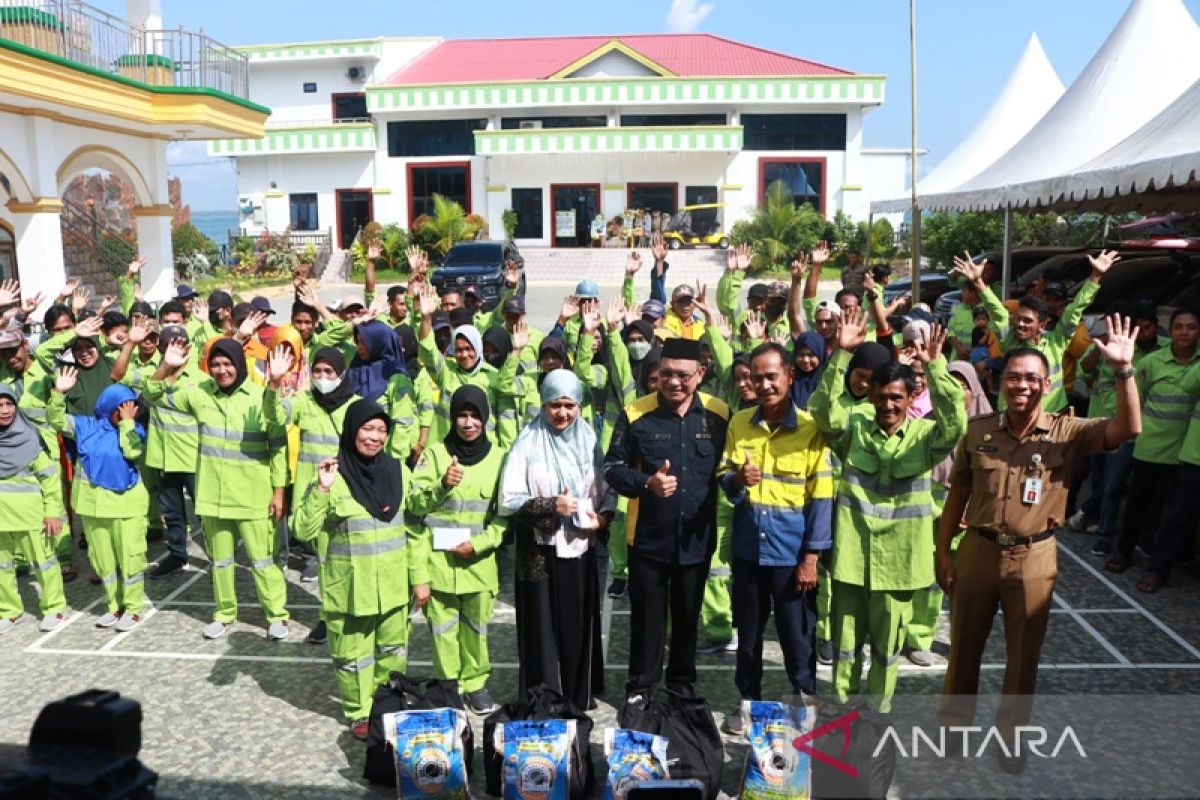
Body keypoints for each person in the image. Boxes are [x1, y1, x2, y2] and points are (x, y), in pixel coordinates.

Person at [937, 316, 1141, 773]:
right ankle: (954, 730)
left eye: (1032, 378)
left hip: (1035, 555)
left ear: (1047, 384)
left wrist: (1124, 372)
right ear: (999, 381)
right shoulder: (978, 431)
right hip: (978, 551)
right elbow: (959, 495)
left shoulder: (1068, 432)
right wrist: (942, 551)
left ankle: (1011, 740)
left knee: (1023, 655)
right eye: (1013, 377)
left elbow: (1126, 430)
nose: (1022, 386)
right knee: (963, 648)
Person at [810, 309, 966, 712]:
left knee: (886, 648)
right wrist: (841, 356)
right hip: (851, 559)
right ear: (871, 395)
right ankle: (843, 706)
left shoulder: (926, 436)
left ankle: (876, 713)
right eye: (881, 397)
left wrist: (937, 368)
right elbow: (823, 412)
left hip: (898, 565)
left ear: (912, 398)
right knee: (845, 647)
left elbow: (956, 425)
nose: (888, 405)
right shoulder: (854, 430)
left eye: (897, 397)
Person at [717, 343, 834, 734]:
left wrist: (811, 558)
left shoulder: (811, 431)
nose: (764, 385)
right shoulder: (738, 424)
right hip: (750, 550)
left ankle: (804, 697)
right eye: (756, 377)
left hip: (791, 554)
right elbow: (725, 480)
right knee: (748, 638)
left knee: (796, 635)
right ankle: (748, 702)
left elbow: (821, 499)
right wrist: (736, 480)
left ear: (790, 376)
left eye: (772, 376)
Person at [604, 337, 730, 700]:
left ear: (701, 374)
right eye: (666, 374)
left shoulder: (718, 414)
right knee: (647, 622)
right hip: (648, 540)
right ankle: (641, 688)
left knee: (688, 621)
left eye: (683, 375)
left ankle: (681, 687)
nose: (674, 382)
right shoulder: (635, 414)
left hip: (696, 540)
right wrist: (646, 483)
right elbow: (612, 468)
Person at [144, 338, 291, 640]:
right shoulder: (198, 395)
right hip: (213, 495)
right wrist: (166, 367)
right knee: (220, 562)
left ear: (239, 364)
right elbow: (152, 396)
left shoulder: (260, 396)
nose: (222, 370)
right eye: (216, 364)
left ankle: (276, 615)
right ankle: (224, 613)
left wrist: (279, 491)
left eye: (228, 364)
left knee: (263, 561)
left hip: (253, 495)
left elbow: (278, 443)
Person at [295, 400, 415, 740]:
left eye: (381, 430)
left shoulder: (398, 470)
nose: (375, 437)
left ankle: (388, 705)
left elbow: (414, 526)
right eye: (367, 429)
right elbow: (302, 531)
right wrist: (320, 488)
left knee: (393, 653)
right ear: (351, 430)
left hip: (393, 586)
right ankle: (359, 712)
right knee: (352, 656)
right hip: (348, 588)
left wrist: (418, 578)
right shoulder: (332, 474)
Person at [501, 369, 613, 712]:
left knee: (576, 623)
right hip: (538, 551)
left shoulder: (589, 441)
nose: (562, 413)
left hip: (578, 547)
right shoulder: (527, 442)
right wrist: (553, 505)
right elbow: (508, 501)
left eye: (569, 405)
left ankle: (577, 696)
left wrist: (602, 518)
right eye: (554, 405)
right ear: (543, 404)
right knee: (541, 629)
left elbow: (606, 493)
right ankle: (542, 698)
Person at [407, 386, 507, 715]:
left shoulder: (499, 458)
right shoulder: (435, 454)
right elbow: (414, 506)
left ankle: (475, 683)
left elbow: (504, 518)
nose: (468, 423)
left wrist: (479, 544)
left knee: (476, 629)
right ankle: (448, 685)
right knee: (442, 630)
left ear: (485, 418)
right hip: (438, 563)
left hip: (477, 564)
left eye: (475, 416)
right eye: (462, 416)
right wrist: (442, 485)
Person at [955, 250, 1119, 412]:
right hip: (1013, 418)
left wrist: (1095, 276)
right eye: (1018, 319)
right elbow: (996, 310)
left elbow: (1075, 309)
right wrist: (978, 282)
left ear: (1042, 325)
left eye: (1027, 321)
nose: (1020, 324)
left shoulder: (1056, 342)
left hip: (1051, 417)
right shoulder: (1009, 341)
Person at [47, 375, 147, 632]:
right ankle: (114, 605)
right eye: (120, 407)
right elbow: (55, 419)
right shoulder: (85, 426)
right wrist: (59, 393)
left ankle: (133, 608)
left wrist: (127, 425)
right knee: (102, 560)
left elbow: (132, 452)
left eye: (130, 407)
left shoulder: (135, 430)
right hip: (92, 507)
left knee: (130, 558)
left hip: (126, 507)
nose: (125, 412)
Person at [1105, 307, 1200, 574]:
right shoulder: (1151, 362)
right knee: (1138, 505)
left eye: (1191, 326)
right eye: (1179, 326)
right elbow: (1134, 399)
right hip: (1152, 448)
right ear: (1170, 332)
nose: (1184, 332)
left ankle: (1169, 560)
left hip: (1186, 452)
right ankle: (1123, 552)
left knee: (1178, 512)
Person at [0, 383, 67, 634]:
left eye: (9, 404)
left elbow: (50, 479)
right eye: (0, 406)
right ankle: (8, 610)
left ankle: (54, 607)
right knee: (2, 568)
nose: (5, 410)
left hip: (33, 516)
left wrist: (52, 512)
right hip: (1, 518)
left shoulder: (30, 439)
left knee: (44, 564)